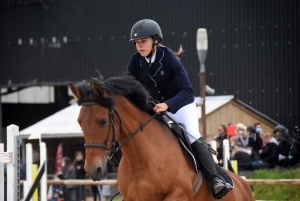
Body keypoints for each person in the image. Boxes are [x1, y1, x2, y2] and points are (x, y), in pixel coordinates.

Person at [126, 19, 231, 199]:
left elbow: (187, 90)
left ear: (154, 41)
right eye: (136, 42)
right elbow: (126, 84)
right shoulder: (135, 61)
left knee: (191, 134)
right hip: (157, 108)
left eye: (143, 41)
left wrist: (168, 104)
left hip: (181, 105)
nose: (139, 46)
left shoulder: (168, 57)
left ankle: (215, 178)